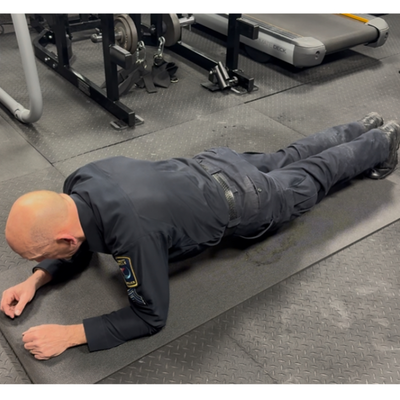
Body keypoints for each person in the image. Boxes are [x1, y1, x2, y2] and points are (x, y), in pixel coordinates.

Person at [1, 112, 399, 361]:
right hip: (216, 163)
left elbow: (150, 316)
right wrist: (37, 279)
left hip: (247, 200)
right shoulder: (80, 179)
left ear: (67, 241)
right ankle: (361, 126)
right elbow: (76, 238)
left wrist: (69, 335)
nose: (38, 261)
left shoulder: (133, 236)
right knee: (289, 156)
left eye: (38, 255)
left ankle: (382, 142)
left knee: (315, 174)